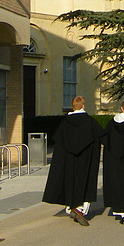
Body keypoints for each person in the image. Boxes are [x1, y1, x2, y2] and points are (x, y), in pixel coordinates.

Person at [42, 96, 104, 226]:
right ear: (83, 106)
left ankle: (70, 206)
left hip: (69, 160)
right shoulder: (90, 122)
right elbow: (99, 139)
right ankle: (80, 209)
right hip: (86, 159)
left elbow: (59, 145)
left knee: (70, 181)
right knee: (85, 181)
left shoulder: (64, 123)